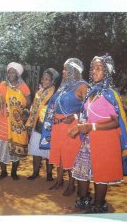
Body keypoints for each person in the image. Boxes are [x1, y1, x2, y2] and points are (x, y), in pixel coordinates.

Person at [69, 54, 127, 213]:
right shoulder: (92, 91)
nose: (94, 71)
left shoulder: (110, 94)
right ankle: (83, 200)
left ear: (106, 71)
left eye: (99, 68)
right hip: (88, 140)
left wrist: (91, 127)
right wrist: (79, 126)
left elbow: (114, 121)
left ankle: (99, 206)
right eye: (93, 68)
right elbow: (87, 115)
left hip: (105, 140)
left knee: (101, 174)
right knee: (82, 171)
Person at [47, 58, 88, 196]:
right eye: (63, 69)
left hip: (70, 127)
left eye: (66, 69)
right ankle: (59, 181)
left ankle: (71, 185)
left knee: (70, 155)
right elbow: (53, 103)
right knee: (59, 155)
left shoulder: (82, 86)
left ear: (74, 71)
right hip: (57, 126)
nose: (63, 72)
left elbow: (89, 109)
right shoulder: (64, 86)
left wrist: (75, 117)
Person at [0, 62, 31, 181]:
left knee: (16, 147)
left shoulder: (23, 87)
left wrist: (24, 112)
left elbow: (28, 102)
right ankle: (3, 172)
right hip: (2, 121)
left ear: (18, 74)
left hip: (16, 123)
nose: (10, 74)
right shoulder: (1, 86)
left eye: (13, 72)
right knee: (1, 147)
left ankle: (14, 172)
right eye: (9, 72)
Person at [25, 68, 59, 181]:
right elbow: (33, 109)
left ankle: (49, 174)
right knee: (35, 150)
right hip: (37, 125)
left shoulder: (55, 94)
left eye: (47, 79)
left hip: (49, 127)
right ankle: (35, 172)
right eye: (43, 79)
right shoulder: (38, 93)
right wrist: (30, 123)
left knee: (48, 151)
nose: (44, 81)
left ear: (52, 82)